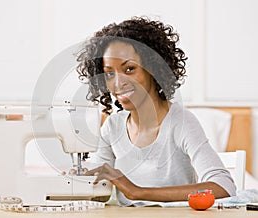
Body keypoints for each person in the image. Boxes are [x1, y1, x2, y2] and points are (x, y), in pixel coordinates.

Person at [76, 16, 236, 206]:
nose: (118, 83)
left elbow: (224, 187)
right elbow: (98, 188)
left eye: (129, 69)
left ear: (153, 69)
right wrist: (78, 180)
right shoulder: (113, 126)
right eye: (110, 73)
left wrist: (137, 192)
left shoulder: (180, 122)